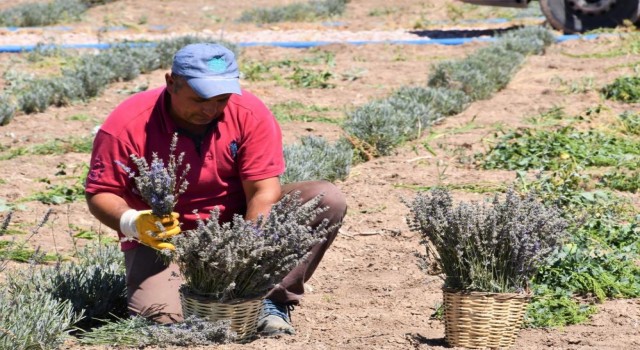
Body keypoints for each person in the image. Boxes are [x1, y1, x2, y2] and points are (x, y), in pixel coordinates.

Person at [85, 42, 347, 336]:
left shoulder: (249, 112)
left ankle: (270, 298)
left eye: (221, 99)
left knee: (326, 199)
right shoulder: (129, 122)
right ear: (171, 82)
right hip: (163, 240)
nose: (211, 109)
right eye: (199, 99)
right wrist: (133, 223)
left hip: (236, 226)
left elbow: (263, 192)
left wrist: (247, 249)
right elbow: (100, 192)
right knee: (168, 325)